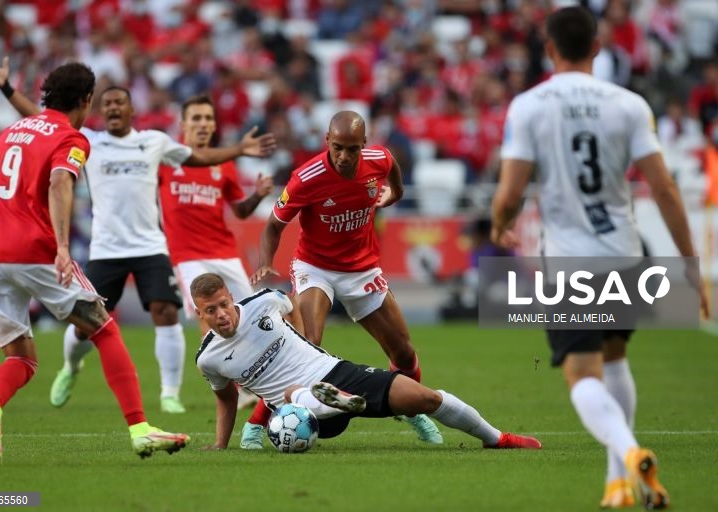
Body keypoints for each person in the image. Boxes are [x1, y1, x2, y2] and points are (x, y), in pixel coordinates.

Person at [490, 7, 708, 509]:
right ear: (597, 47)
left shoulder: (529, 105)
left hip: (570, 260)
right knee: (615, 359)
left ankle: (630, 455)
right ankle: (618, 486)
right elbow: (665, 189)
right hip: (626, 252)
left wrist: (502, 220)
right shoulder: (628, 104)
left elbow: (510, 192)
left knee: (581, 376)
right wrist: (690, 266)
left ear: (549, 48)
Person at [0, 55, 276, 414]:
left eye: (121, 103)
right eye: (108, 103)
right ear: (95, 108)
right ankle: (71, 367)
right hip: (105, 249)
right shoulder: (87, 139)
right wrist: (7, 87)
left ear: (133, 111)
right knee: (89, 326)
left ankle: (169, 394)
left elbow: (197, 156)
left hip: (150, 245)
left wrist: (239, 149)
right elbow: (41, 118)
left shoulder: (153, 142)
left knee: (166, 311)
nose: (114, 107)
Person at [0, 62, 189, 467]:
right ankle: (140, 430)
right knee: (103, 328)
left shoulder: (10, 132)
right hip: (35, 251)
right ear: (86, 101)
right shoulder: (72, 137)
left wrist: (3, 220)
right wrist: (62, 246)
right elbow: (60, 181)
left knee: (21, 358)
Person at [246, 111, 441, 449]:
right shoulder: (306, 178)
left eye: (352, 149)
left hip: (362, 268)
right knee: (308, 345)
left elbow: (391, 163)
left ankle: (411, 409)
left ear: (363, 146)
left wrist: (395, 191)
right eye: (338, 147)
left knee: (404, 352)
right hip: (314, 267)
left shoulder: (377, 160)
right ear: (327, 141)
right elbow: (274, 226)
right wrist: (265, 264)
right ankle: (255, 424)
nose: (344, 156)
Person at [191, 273, 542, 451]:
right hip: (300, 417)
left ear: (230, 297)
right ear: (200, 313)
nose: (221, 315)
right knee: (292, 393)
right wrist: (221, 444)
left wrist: (299, 336)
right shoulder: (209, 358)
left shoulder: (264, 301)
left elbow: (290, 303)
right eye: (211, 311)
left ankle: (498, 439)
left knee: (426, 398)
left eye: (224, 304)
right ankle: (324, 401)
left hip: (334, 372)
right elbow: (226, 399)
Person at [158, 93, 273, 410]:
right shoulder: (167, 159)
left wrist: (259, 195)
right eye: (196, 118)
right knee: (209, 315)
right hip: (188, 257)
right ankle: (230, 387)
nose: (204, 124)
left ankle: (261, 381)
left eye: (208, 118)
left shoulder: (224, 163)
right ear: (182, 124)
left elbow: (240, 211)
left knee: (248, 314)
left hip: (225, 252)